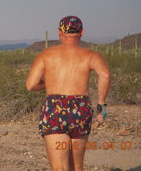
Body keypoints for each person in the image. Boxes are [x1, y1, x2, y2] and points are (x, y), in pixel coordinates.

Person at [26, 16, 111, 171]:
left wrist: (49, 83)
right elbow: (105, 75)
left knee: (60, 168)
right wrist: (102, 103)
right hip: (80, 108)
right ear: (82, 32)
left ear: (60, 32)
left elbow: (31, 85)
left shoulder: (46, 54)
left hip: (54, 109)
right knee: (76, 167)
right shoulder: (91, 55)